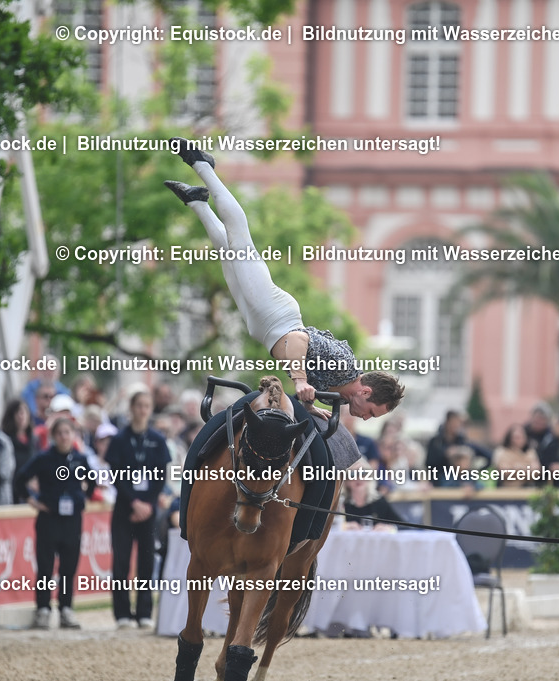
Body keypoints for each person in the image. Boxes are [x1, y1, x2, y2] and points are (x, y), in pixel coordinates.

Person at [164, 139, 404, 420]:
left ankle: (198, 202)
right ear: (365, 392)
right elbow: (297, 339)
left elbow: (308, 376)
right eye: (372, 412)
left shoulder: (339, 393)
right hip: (277, 317)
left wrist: (310, 405)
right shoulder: (343, 366)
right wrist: (300, 381)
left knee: (228, 256)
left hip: (263, 329)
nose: (365, 418)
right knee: (240, 245)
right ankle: (203, 165)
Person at [15, 418, 96, 630]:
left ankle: (66, 608)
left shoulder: (80, 458)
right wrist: (32, 500)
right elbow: (20, 478)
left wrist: (83, 498)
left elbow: (93, 481)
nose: (63, 436)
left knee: (69, 567)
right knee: (45, 566)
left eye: (67, 432)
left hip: (72, 520)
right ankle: (42, 608)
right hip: (49, 518)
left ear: (73, 435)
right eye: (59, 432)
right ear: (53, 436)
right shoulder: (43, 458)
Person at [106, 387, 171, 630]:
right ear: (132, 408)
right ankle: (122, 613)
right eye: (138, 405)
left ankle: (144, 611)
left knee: (146, 561)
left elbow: (161, 477)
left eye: (146, 406)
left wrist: (147, 504)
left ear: (150, 409)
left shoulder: (157, 440)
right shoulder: (120, 439)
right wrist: (133, 502)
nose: (142, 410)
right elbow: (116, 475)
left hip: (149, 509)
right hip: (125, 508)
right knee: (121, 561)